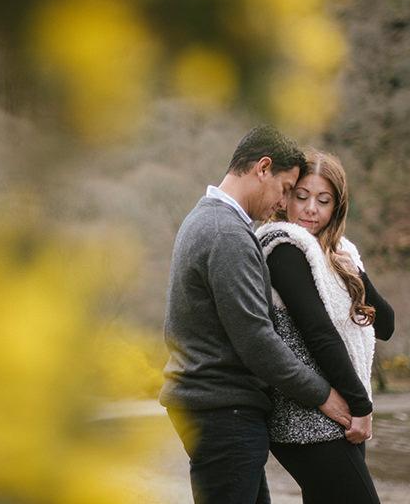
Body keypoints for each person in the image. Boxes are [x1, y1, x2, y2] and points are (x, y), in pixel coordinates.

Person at [159, 126, 353, 504]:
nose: (283, 204)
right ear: (263, 168)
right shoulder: (225, 233)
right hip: (222, 411)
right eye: (285, 189)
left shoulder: (207, 220)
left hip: (215, 408)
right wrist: (324, 395)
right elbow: (257, 340)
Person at [254, 150, 395, 504]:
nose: (310, 209)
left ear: (337, 207)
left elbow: (386, 324)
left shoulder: (337, 254)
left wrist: (357, 276)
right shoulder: (284, 248)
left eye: (323, 200)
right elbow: (318, 332)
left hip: (335, 418)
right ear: (285, 198)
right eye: (301, 197)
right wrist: (362, 407)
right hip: (306, 418)